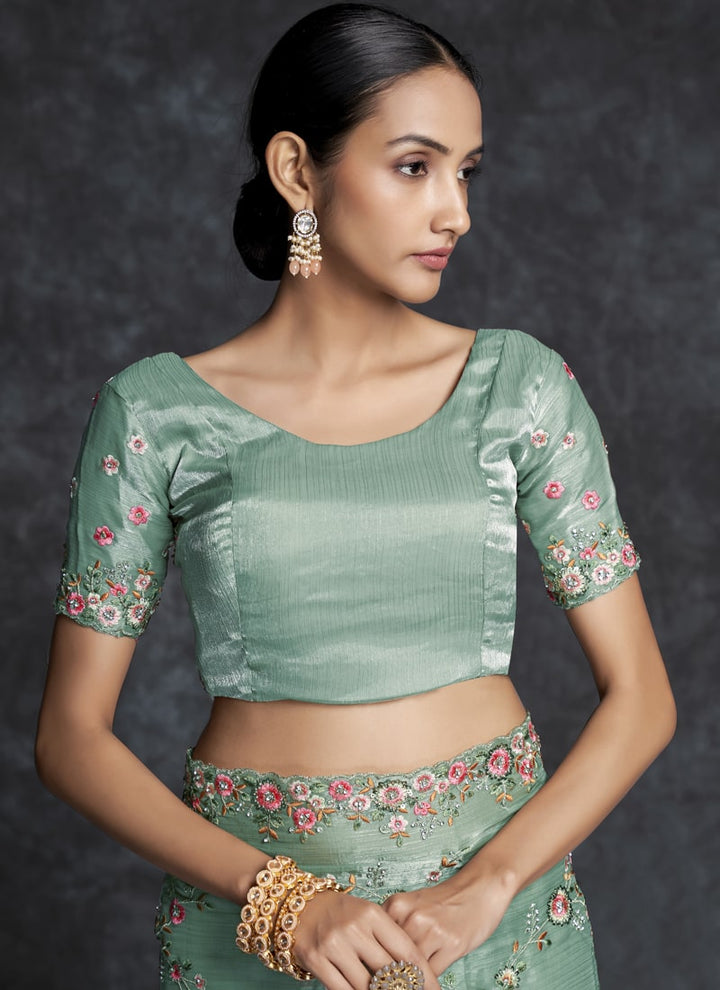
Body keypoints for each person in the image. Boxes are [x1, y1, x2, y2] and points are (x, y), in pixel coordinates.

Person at [36, 4, 676, 989]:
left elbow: (642, 698)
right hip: (253, 923)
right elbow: (71, 738)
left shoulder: (518, 386)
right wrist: (279, 900)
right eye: (416, 166)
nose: (455, 211)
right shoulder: (157, 412)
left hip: (494, 921)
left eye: (466, 172)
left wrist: (492, 883)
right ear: (298, 171)